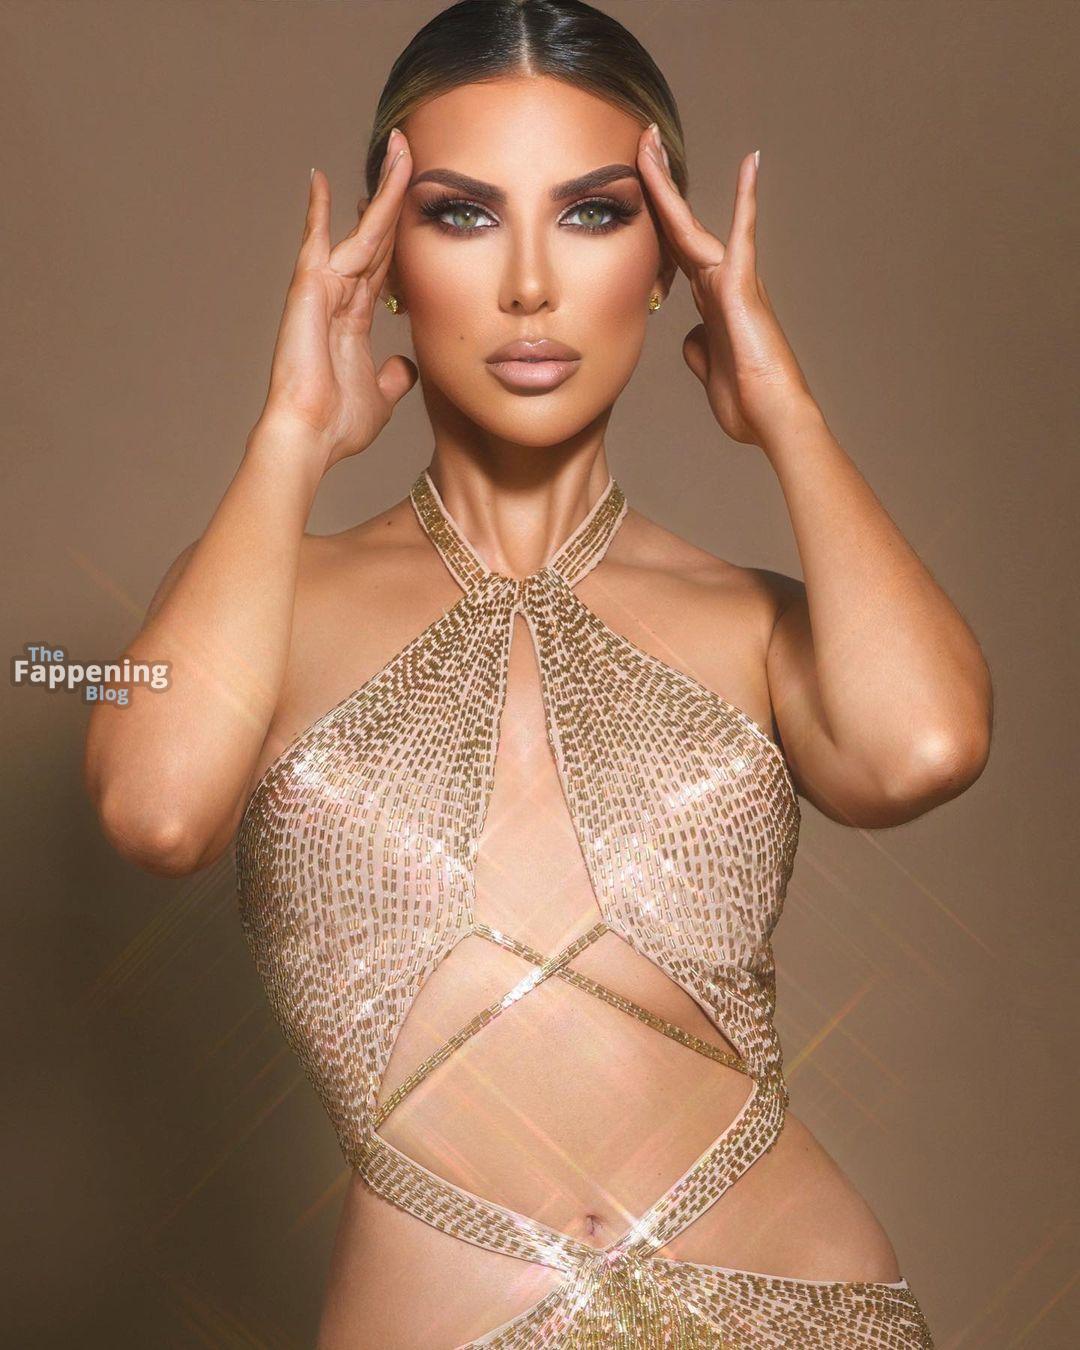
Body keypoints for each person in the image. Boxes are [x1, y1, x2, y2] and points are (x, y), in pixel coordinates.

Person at [85, 1, 992, 1344]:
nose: (528, 284)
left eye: (592, 214)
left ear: (666, 260)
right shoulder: (258, 600)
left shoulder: (747, 619)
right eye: (461, 215)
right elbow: (151, 807)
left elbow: (928, 746)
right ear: (387, 263)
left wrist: (786, 411)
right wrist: (288, 434)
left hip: (799, 1310)